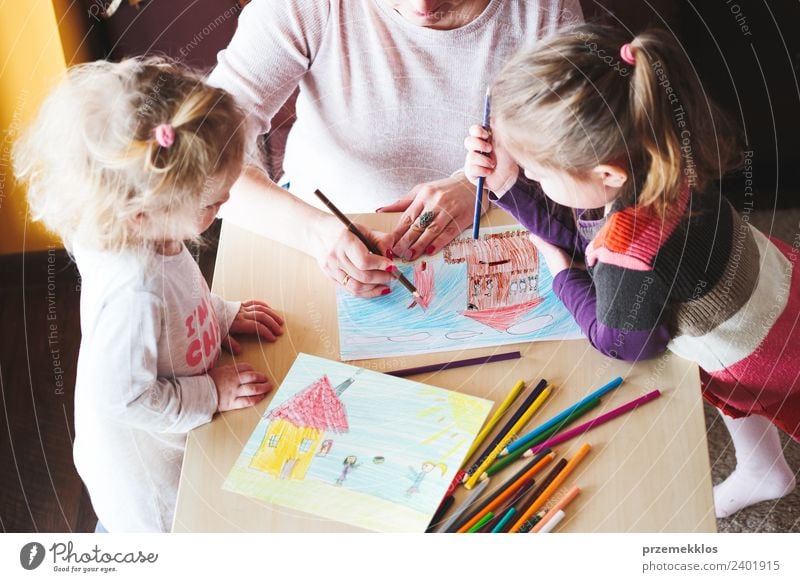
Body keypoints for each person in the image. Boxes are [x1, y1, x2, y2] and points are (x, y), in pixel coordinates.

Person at [463, 24, 798, 518]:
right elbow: (588, 226)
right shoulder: (662, 153)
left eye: (538, 171)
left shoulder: (631, 261)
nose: (531, 177)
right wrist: (509, 181)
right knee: (740, 402)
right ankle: (762, 468)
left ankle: (762, 468)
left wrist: (563, 276)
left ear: (606, 176)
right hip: (775, 294)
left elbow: (625, 342)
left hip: (769, 353)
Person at [13, 57, 284, 532]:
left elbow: (181, 298)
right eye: (212, 203)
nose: (223, 210)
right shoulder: (133, 293)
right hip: (148, 488)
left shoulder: (150, 229)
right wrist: (211, 391)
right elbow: (124, 398)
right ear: (144, 211)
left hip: (176, 439)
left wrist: (219, 315)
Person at [208, 0, 582, 298]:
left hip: (502, 242)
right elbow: (199, 164)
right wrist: (318, 234)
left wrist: (479, 186)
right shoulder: (304, 6)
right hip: (310, 239)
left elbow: (584, 151)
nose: (423, 6)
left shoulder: (545, 9)